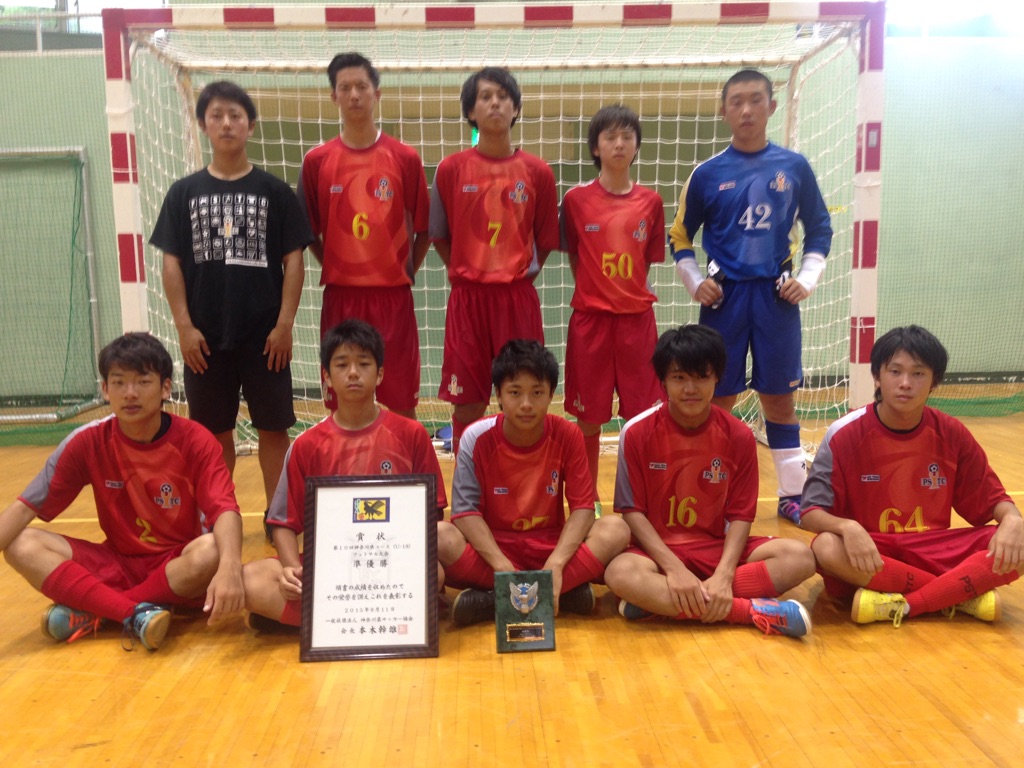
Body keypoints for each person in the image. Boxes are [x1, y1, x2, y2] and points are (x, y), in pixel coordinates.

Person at [0, 333, 244, 651]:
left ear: (165, 388)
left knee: (212, 550)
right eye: (118, 382)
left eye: (142, 382)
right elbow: (23, 508)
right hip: (117, 563)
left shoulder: (195, 440)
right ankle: (132, 612)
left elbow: (225, 510)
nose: (130, 393)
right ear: (105, 390)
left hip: (178, 569)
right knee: (20, 542)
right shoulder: (87, 442)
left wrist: (230, 567)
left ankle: (99, 609)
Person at [668, 68, 833, 526]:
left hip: (777, 301)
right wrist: (694, 281)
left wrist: (807, 278)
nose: (746, 109)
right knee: (716, 400)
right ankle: (713, 494)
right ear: (723, 110)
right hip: (723, 302)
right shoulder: (706, 173)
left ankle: (793, 495)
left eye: (755, 100)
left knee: (778, 398)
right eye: (736, 101)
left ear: (771, 107)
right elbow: (679, 235)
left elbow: (820, 228)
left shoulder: (794, 167)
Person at [152, 80, 312, 528]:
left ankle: (279, 518)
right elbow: (171, 264)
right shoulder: (183, 193)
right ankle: (219, 519)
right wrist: (184, 327)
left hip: (266, 340)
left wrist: (284, 325)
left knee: (274, 429)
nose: (226, 123)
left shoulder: (275, 191)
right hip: (204, 340)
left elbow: (294, 261)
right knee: (212, 434)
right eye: (217, 115)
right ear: (204, 124)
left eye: (236, 115)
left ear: (250, 125)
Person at [800, 325, 1023, 626]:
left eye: (918, 374)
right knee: (826, 546)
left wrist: (1013, 519)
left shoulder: (951, 433)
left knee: (1020, 537)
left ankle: (907, 604)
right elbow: (811, 512)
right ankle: (957, 593)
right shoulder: (844, 434)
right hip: (872, 553)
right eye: (895, 371)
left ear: (934, 382)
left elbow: (993, 500)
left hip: (934, 550)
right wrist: (847, 527)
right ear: (877, 376)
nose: (905, 383)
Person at [603, 325, 814, 638]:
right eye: (679, 378)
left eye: (701, 377)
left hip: (716, 548)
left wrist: (725, 576)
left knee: (800, 557)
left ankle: (659, 603)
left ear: (717, 378)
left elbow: (741, 514)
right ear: (663, 380)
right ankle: (749, 612)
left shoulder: (738, 435)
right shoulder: (636, 432)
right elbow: (632, 512)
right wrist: (674, 569)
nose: (691, 388)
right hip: (657, 554)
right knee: (620, 573)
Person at [243, 319, 448, 631]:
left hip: (390, 559)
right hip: (329, 564)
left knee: (435, 574)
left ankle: (319, 623)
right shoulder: (306, 445)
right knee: (249, 579)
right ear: (327, 376)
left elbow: (431, 515)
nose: (353, 373)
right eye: (341, 365)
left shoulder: (412, 434)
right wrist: (292, 571)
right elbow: (282, 523)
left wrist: (405, 558)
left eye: (363, 364)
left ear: (380, 374)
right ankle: (378, 621)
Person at [437, 339, 630, 626]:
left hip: (550, 549)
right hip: (492, 552)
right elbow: (465, 513)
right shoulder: (475, 437)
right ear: (499, 395)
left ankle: (494, 599)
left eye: (537, 392)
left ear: (551, 394)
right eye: (515, 392)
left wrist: (557, 563)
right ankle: (560, 593)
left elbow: (583, 508)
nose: (526, 404)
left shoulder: (568, 435)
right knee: (440, 536)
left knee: (616, 529)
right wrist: (501, 565)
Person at [429, 66, 560, 455]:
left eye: (503, 96)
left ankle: (522, 480)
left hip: (517, 299)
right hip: (467, 300)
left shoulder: (538, 172)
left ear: (516, 108)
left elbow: (544, 241)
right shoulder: (450, 169)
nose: (495, 103)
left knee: (524, 398)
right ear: (471, 111)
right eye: (485, 97)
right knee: (467, 404)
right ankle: (468, 485)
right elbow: (440, 237)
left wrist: (513, 273)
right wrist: (469, 271)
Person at [300, 52, 430, 420]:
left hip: (393, 299)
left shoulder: (405, 158)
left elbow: (424, 229)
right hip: (341, 298)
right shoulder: (317, 161)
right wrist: (333, 263)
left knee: (401, 404)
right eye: (345, 88)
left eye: (361, 86)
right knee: (344, 405)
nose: (354, 94)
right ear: (334, 97)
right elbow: (307, 231)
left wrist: (404, 269)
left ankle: (402, 461)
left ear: (377, 94)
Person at [560, 104, 665, 513]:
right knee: (589, 419)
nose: (619, 143)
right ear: (595, 147)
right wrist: (598, 293)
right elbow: (576, 257)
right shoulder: (575, 200)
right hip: (591, 324)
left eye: (626, 136)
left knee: (641, 419)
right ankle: (588, 501)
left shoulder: (651, 202)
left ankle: (638, 497)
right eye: (610, 137)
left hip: (638, 324)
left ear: (636, 145)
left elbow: (646, 263)